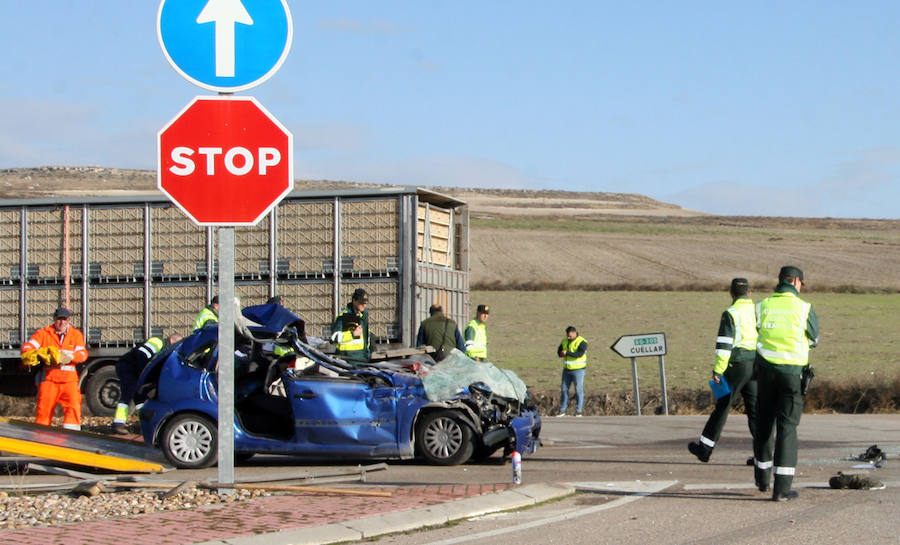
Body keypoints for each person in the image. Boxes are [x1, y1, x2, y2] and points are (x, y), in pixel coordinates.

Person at [753, 265, 819, 501]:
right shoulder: (804, 308)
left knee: (763, 425)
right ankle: (781, 489)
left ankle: (762, 480)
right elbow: (814, 340)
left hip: (765, 373)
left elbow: (754, 334)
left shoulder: (762, 306)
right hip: (792, 375)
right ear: (796, 282)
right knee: (787, 428)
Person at [688, 278, 759, 462]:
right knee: (755, 410)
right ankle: (764, 455)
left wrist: (718, 371)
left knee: (723, 405)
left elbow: (724, 346)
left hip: (736, 364)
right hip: (756, 364)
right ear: (749, 293)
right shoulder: (758, 311)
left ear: (731, 293)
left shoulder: (730, 313)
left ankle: (705, 448)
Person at [20, 307, 88, 430]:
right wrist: (32, 353)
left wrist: (70, 357)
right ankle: (42, 440)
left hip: (69, 382)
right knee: (43, 412)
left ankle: (72, 439)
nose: (62, 323)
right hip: (49, 380)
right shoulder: (44, 333)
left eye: (64, 319)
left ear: (69, 320)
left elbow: (83, 354)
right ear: (54, 319)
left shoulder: (75, 335)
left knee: (73, 409)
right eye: (59, 319)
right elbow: (29, 346)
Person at [112, 333, 183, 435]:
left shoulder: (165, 349)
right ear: (172, 340)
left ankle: (144, 424)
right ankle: (118, 425)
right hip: (127, 367)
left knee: (140, 398)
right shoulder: (158, 342)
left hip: (134, 369)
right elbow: (142, 355)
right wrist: (144, 373)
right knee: (128, 393)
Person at [331, 288, 372, 363]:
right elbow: (334, 338)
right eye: (361, 303)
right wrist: (352, 334)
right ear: (354, 300)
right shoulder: (343, 316)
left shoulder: (363, 316)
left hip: (362, 360)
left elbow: (366, 339)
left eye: (365, 303)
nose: (364, 305)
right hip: (348, 361)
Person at [556, 326, 588, 417]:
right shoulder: (565, 341)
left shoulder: (582, 342)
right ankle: (562, 410)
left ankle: (578, 411)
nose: (568, 337)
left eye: (570, 336)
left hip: (578, 370)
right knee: (564, 389)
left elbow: (579, 354)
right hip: (566, 370)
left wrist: (567, 353)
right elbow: (559, 351)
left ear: (574, 333)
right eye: (567, 336)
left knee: (578, 390)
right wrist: (561, 353)